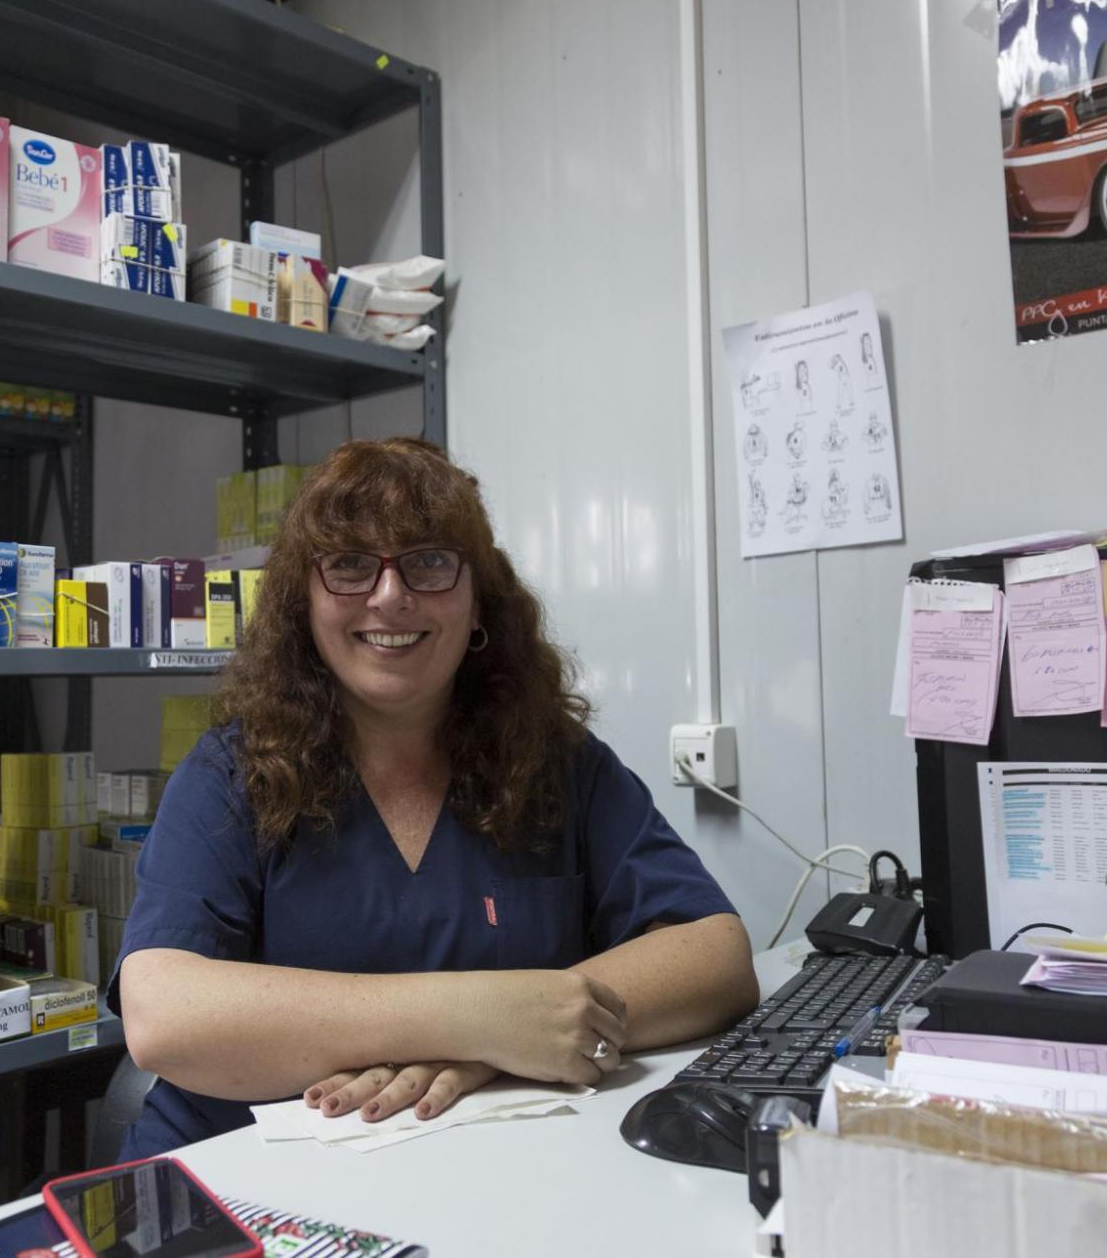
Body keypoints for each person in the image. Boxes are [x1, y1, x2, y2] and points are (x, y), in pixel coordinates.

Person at [111, 438, 757, 1157]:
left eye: (429, 560)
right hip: (243, 1182)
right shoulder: (232, 775)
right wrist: (482, 1015)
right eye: (350, 563)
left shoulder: (555, 763)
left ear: (479, 595)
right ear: (305, 602)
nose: (390, 595)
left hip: (474, 1177)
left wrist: (507, 1040)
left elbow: (717, 955)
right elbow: (162, 1013)